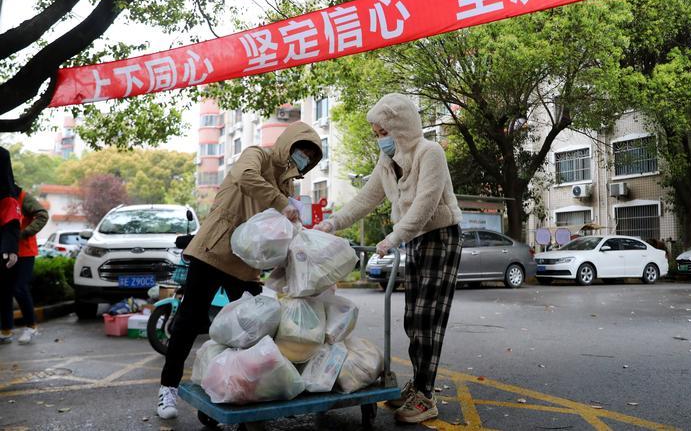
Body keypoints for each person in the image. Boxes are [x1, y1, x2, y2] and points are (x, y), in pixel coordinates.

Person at [156, 121, 322, 420]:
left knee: (257, 328)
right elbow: (246, 178)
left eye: (310, 157)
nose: (304, 159)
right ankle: (167, 388)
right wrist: (281, 202)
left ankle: (237, 389)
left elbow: (281, 227)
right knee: (189, 321)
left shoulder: (288, 185)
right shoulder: (256, 154)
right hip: (214, 249)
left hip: (246, 263)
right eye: (302, 151)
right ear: (288, 144)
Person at [314, 93, 462, 424]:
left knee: (428, 317)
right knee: (413, 316)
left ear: (402, 127)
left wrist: (394, 237)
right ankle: (418, 385)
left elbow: (425, 205)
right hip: (415, 240)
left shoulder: (430, 153)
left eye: (384, 132)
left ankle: (425, 395)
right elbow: (365, 199)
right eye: (377, 134)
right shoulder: (387, 164)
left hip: (440, 237)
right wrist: (332, 222)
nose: (381, 139)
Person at [1, 184, 49, 344]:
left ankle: (31, 326)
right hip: (6, 251)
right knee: (5, 290)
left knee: (19, 288)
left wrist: (23, 233)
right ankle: (6, 330)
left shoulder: (22, 196)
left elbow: (42, 215)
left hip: (25, 252)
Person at [0, 147, 22, 344]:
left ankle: (6, 330)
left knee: (5, 293)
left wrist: (10, 249)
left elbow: (11, 223)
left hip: (5, 253)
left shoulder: (10, 197)